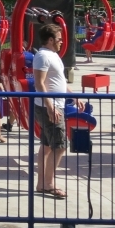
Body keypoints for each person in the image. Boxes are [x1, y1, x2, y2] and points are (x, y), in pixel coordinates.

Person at [32, 23, 81, 198]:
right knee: (60, 146)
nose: (61, 42)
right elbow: (40, 83)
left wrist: (72, 95)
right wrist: (51, 106)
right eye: (59, 39)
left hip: (53, 105)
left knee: (46, 146)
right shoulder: (43, 56)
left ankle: (42, 183)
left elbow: (58, 80)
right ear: (51, 40)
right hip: (50, 107)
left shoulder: (53, 55)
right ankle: (48, 184)